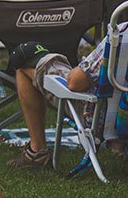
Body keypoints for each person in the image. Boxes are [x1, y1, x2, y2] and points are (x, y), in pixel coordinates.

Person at [7, 24, 128, 168]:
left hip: (102, 118)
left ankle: (37, 152)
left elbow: (75, 84)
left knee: (25, 69)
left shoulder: (122, 34)